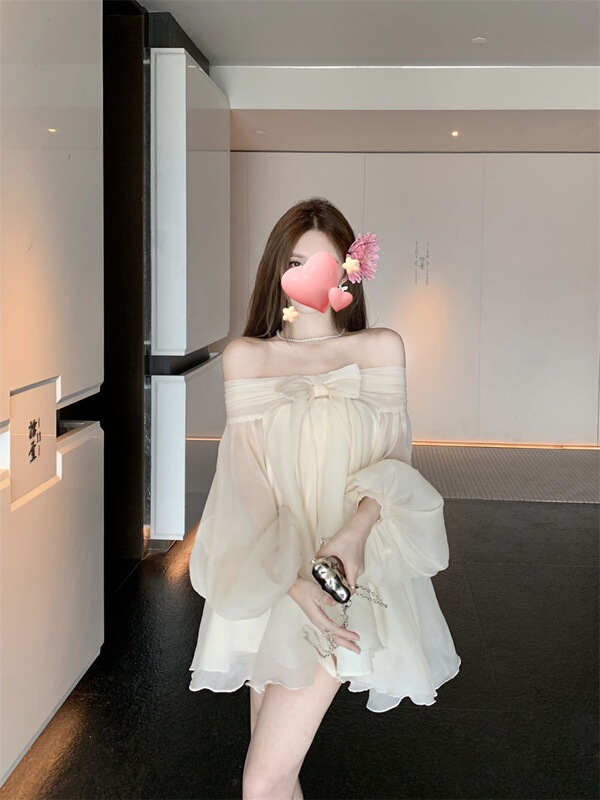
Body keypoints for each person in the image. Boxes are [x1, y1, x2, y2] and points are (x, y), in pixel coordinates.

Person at [188, 197, 461, 800]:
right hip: (273, 578)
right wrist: (291, 583)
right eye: (295, 263)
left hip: (349, 579)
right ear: (276, 271)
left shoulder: (379, 348)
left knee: (262, 779)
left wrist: (354, 535)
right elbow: (246, 487)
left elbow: (395, 462)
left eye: (324, 264)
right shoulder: (247, 358)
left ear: (348, 274)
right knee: (275, 772)